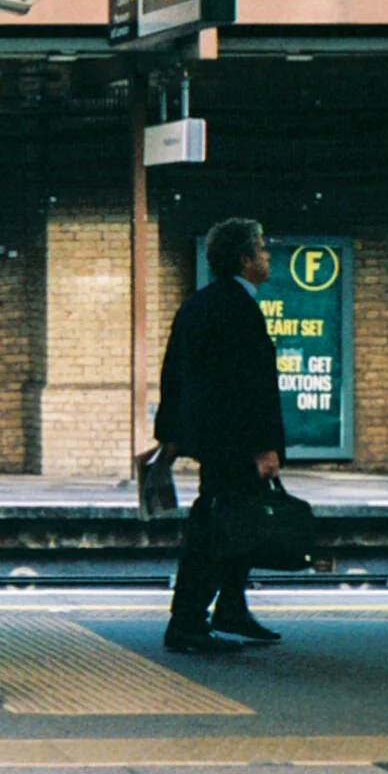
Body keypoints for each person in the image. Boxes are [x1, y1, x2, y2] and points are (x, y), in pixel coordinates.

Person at [149, 216, 287, 655]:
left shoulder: (199, 304)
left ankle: (231, 606)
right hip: (236, 445)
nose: (267, 256)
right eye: (262, 249)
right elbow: (250, 386)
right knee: (216, 529)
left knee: (233, 524)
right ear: (245, 259)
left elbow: (174, 374)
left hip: (213, 441)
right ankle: (188, 621)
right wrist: (264, 447)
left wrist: (169, 436)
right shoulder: (239, 309)